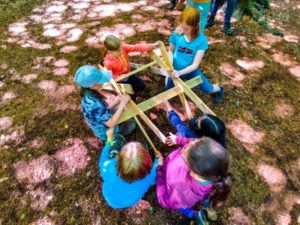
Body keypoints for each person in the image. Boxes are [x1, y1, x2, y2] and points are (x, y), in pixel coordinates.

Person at [156, 137, 233, 224]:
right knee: (205, 202)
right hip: (201, 196)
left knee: (186, 207)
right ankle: (209, 209)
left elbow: (165, 201)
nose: (183, 150)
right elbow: (194, 144)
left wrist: (159, 170)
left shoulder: (181, 189)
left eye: (184, 155)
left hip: (182, 197)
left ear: (192, 170)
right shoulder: (214, 171)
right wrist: (177, 140)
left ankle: (196, 215)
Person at [167, 7, 224, 104]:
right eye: (182, 26)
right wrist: (170, 64)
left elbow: (195, 65)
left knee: (207, 89)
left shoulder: (201, 40)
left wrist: (180, 73)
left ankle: (219, 89)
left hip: (191, 71)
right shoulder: (177, 34)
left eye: (187, 29)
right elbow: (170, 50)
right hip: (175, 70)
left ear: (195, 26)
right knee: (167, 92)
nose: (183, 30)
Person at [98, 128, 162, 209]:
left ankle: (119, 137)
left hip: (110, 197)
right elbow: (155, 174)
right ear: (147, 170)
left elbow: (103, 160)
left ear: (118, 159)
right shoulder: (149, 178)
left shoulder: (109, 167)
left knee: (116, 140)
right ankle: (144, 147)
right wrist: (157, 161)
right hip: (128, 202)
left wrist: (109, 141)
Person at [74, 65, 132, 142]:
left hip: (100, 123)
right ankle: (116, 136)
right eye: (101, 81)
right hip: (106, 133)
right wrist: (123, 103)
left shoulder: (87, 95)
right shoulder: (95, 104)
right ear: (93, 86)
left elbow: (102, 110)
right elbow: (110, 124)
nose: (104, 82)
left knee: (120, 110)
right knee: (132, 124)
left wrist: (117, 101)